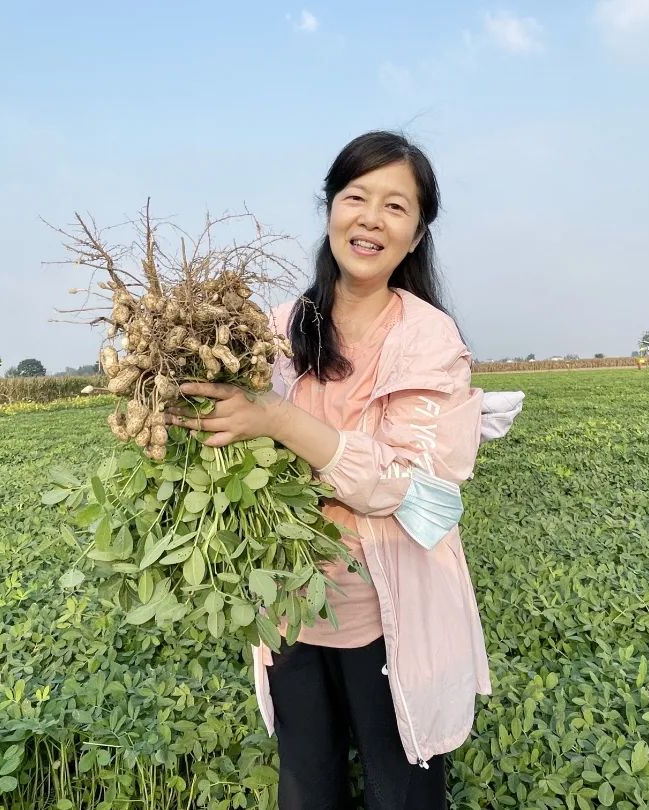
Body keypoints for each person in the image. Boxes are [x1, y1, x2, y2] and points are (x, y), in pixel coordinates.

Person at [165, 131, 519, 810]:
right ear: (331, 208)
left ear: (416, 236)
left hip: (387, 613)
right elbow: (233, 444)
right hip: (289, 605)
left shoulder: (430, 339)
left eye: (396, 207)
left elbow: (406, 484)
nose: (371, 219)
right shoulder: (279, 327)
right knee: (307, 784)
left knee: (400, 790)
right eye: (356, 197)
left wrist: (278, 419)